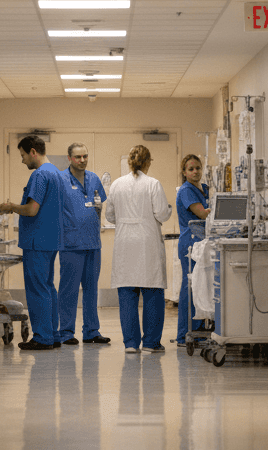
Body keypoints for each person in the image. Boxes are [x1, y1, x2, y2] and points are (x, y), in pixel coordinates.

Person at [0, 135, 65, 351]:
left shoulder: (40, 175)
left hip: (37, 240)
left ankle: (42, 337)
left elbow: (32, 209)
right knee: (47, 287)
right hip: (51, 239)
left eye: (23, 155)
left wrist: (11, 207)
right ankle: (52, 333)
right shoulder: (56, 172)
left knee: (37, 289)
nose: (23, 160)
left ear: (33, 152)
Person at [105, 145, 172, 353]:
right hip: (147, 242)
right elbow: (161, 213)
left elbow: (109, 216)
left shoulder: (116, 185)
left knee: (127, 294)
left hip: (125, 242)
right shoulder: (153, 184)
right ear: (148, 162)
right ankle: (151, 343)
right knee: (152, 292)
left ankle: (131, 344)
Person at [57, 143, 111, 345]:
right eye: (78, 157)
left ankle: (91, 331)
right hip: (71, 243)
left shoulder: (94, 178)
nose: (82, 160)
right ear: (69, 158)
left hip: (93, 242)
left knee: (91, 289)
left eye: (85, 156)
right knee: (68, 290)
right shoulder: (61, 180)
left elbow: (99, 205)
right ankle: (66, 332)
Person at [175, 154, 211, 346]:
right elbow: (202, 214)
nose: (195, 171)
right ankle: (184, 334)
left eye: (198, 167)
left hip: (201, 242)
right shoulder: (187, 190)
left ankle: (196, 331)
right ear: (184, 172)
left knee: (199, 286)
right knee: (190, 287)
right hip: (190, 243)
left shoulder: (202, 189)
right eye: (191, 169)